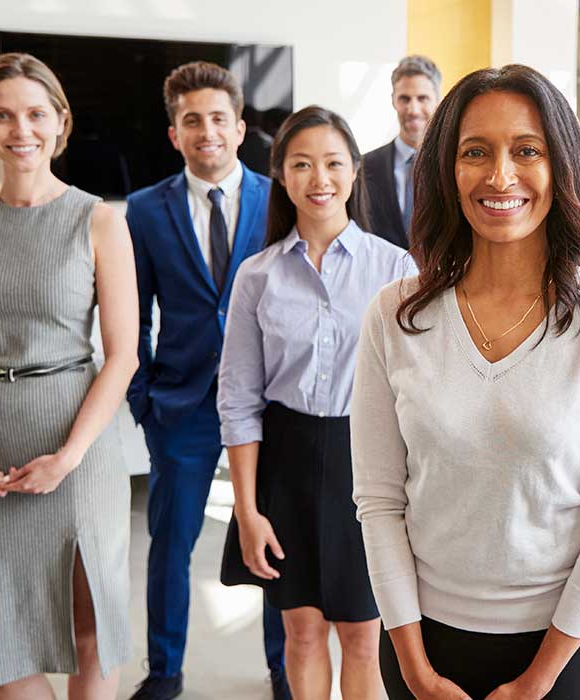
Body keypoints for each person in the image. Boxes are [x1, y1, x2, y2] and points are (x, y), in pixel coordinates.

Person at [351, 64, 580, 700]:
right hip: (424, 643)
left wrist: (536, 682)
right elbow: (380, 503)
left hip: (568, 651)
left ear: (563, 167)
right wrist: (414, 669)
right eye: (474, 152)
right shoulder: (394, 314)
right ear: (447, 170)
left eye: (527, 150)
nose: (500, 176)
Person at [0, 52, 137, 697]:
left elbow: (122, 353)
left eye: (36, 113)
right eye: (2, 115)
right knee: (0, 628)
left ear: (60, 122)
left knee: (90, 621)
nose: (21, 129)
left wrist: (68, 457)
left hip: (78, 440)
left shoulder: (99, 220)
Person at [218, 105, 416, 700]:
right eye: (302, 164)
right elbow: (238, 400)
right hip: (285, 462)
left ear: (356, 172)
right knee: (300, 632)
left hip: (369, 462)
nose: (319, 178)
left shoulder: (395, 269)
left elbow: (413, 393)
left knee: (363, 633)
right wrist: (248, 511)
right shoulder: (257, 275)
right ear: (281, 174)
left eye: (333, 163)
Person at [124, 61, 287, 700]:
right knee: (172, 545)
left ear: (240, 127)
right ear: (174, 134)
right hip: (181, 406)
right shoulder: (143, 210)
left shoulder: (280, 198)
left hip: (269, 403)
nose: (207, 131)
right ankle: (164, 672)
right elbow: (132, 315)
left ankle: (283, 668)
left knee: (275, 540)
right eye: (192, 120)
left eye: (219, 118)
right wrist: (144, 402)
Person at [362, 55, 442, 248]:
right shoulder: (364, 167)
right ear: (393, 101)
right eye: (404, 99)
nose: (413, 109)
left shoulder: (454, 163)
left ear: (437, 100)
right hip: (383, 277)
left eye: (422, 98)